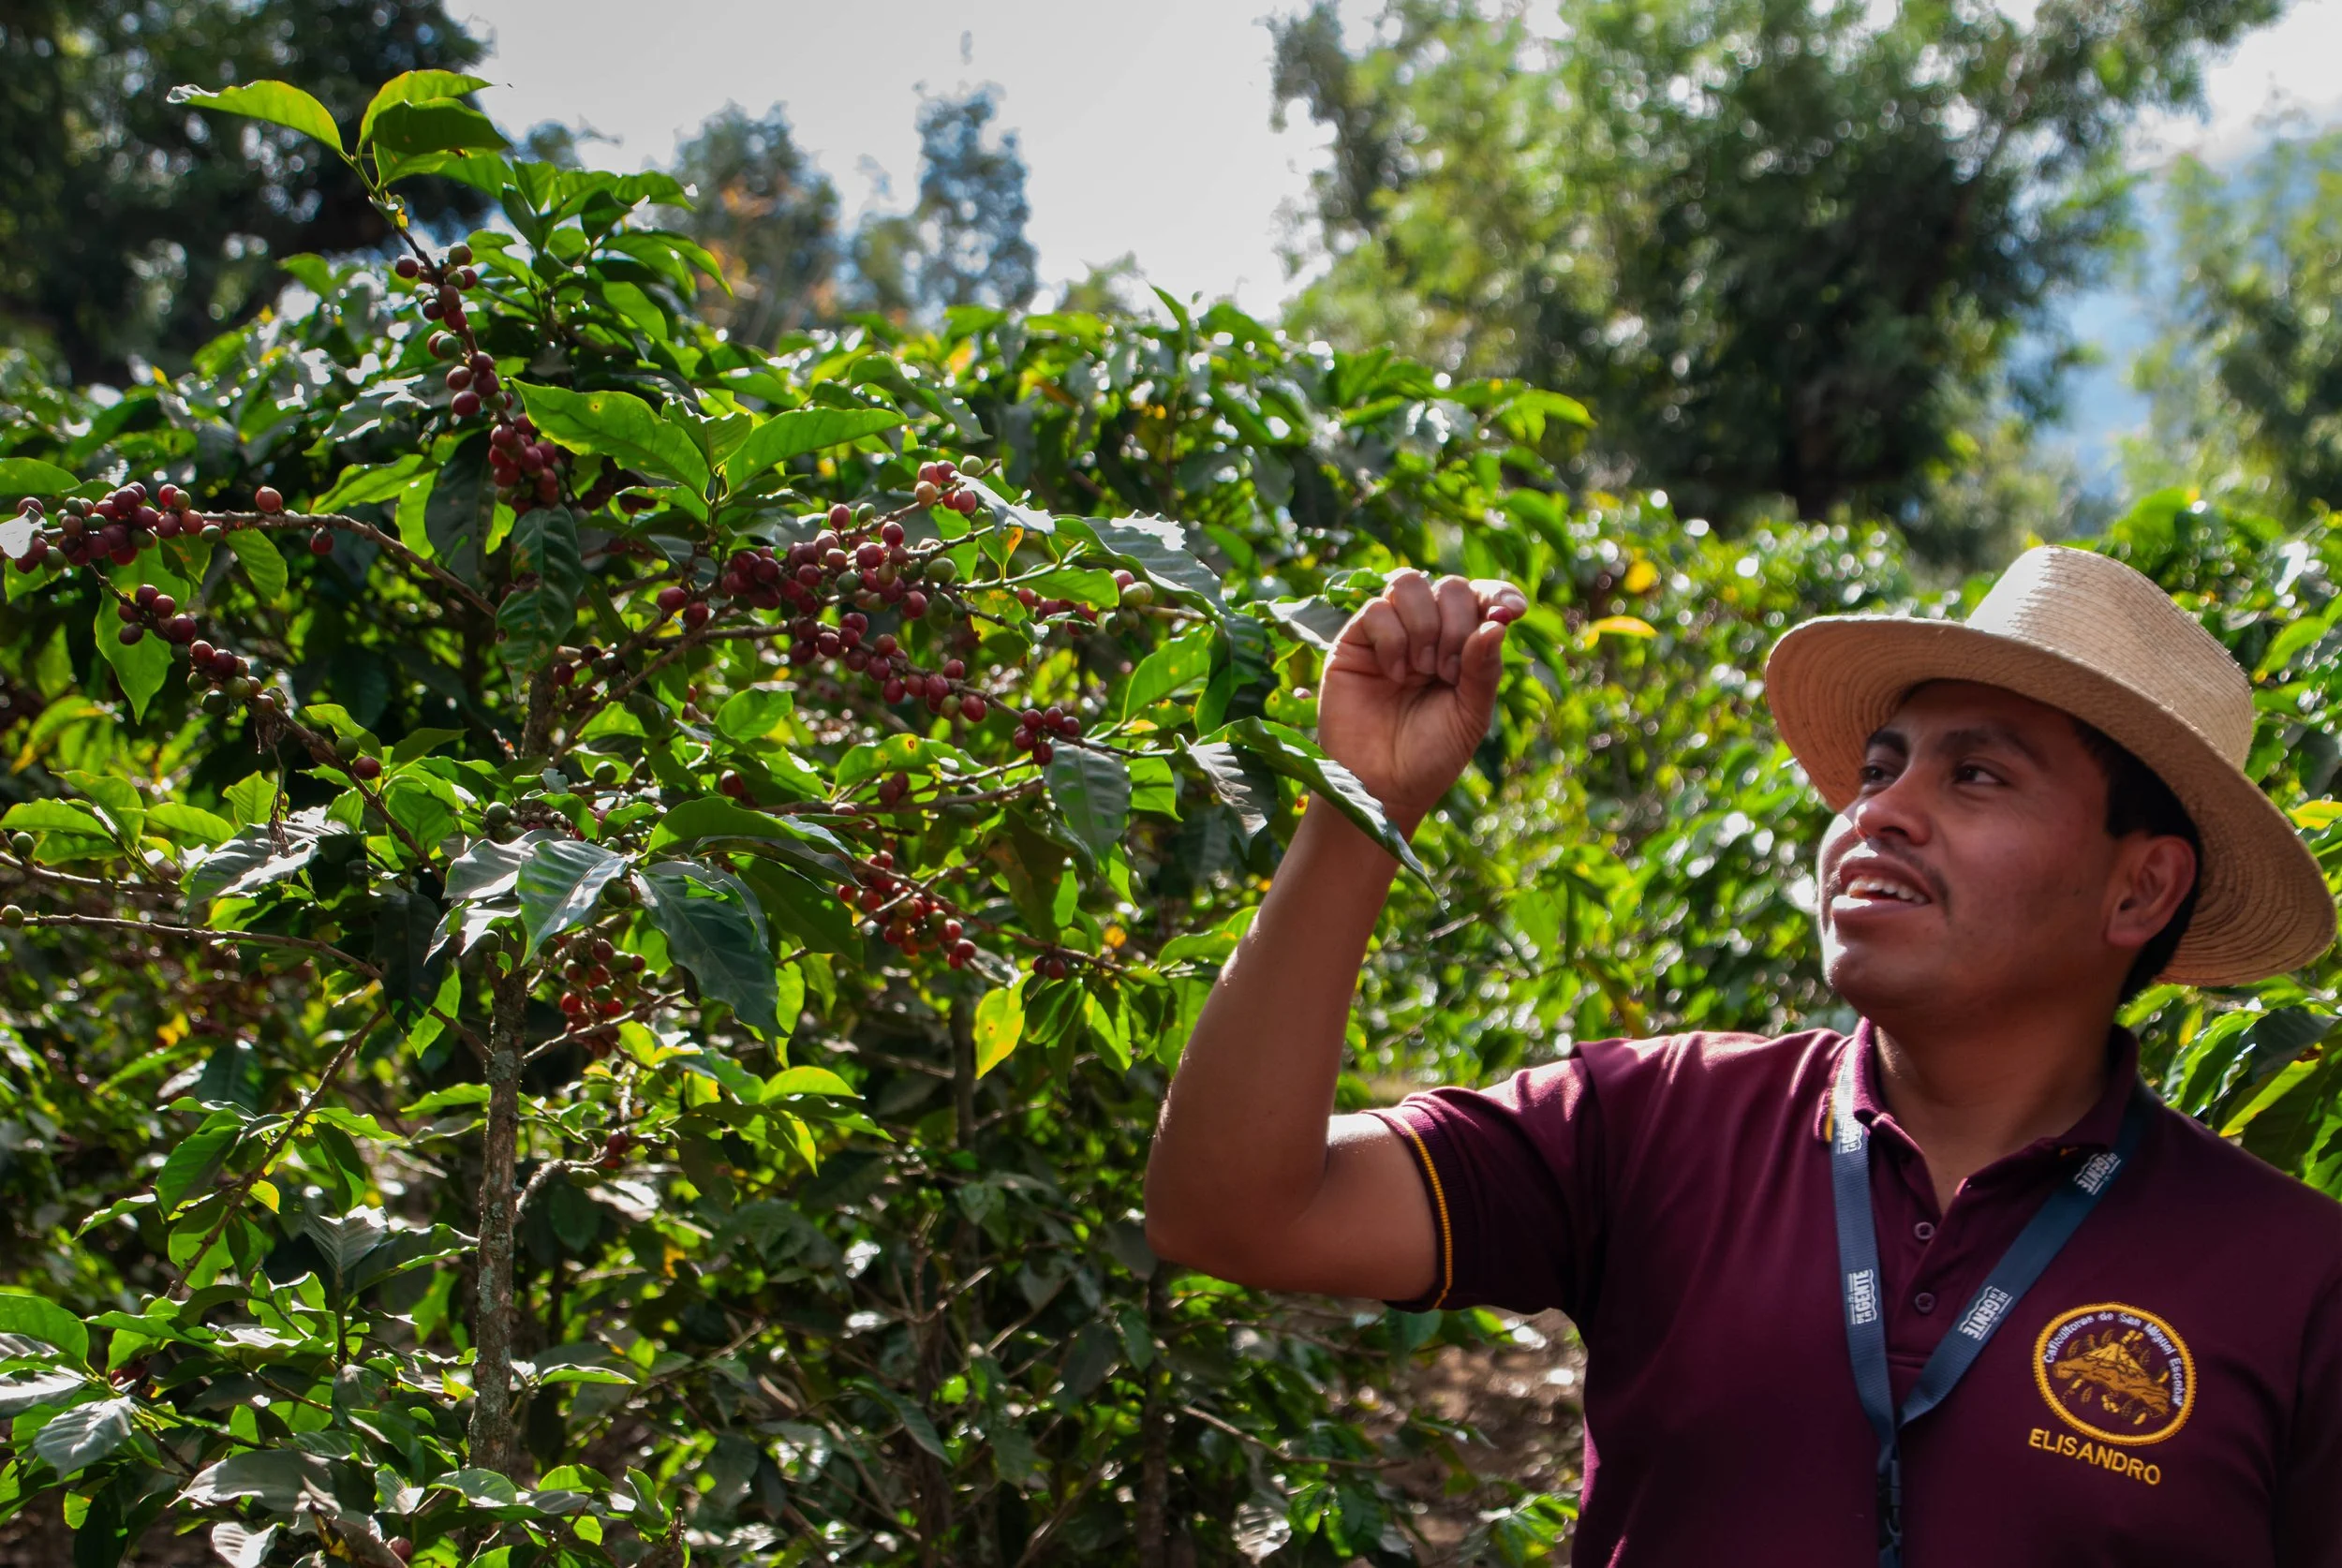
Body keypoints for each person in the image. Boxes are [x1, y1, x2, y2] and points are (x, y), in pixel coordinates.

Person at [1144, 545, 2342, 1566]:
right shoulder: (1654, 1120)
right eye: (1878, 768)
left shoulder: (2294, 1282)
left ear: (2141, 888)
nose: (1879, 811)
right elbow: (1231, 1210)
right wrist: (1360, 806)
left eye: (1975, 774)